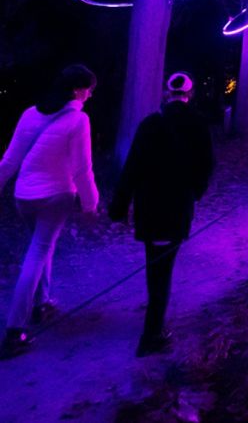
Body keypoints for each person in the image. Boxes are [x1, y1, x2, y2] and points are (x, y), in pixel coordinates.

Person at [109, 72, 214, 357]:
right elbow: (206, 166)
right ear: (190, 95)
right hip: (178, 206)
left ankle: (153, 324)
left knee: (155, 265)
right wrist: (196, 192)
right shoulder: (198, 125)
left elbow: (132, 167)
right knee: (163, 268)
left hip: (149, 205)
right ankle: (151, 334)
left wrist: (119, 206)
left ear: (167, 94)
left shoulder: (150, 124)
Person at [0, 65, 99, 359]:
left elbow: (8, 160)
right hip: (56, 196)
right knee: (36, 255)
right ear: (78, 90)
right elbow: (82, 169)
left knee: (42, 248)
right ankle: (14, 331)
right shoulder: (78, 120)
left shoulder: (30, 113)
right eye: (90, 89)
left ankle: (41, 304)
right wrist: (91, 204)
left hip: (24, 197)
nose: (91, 94)